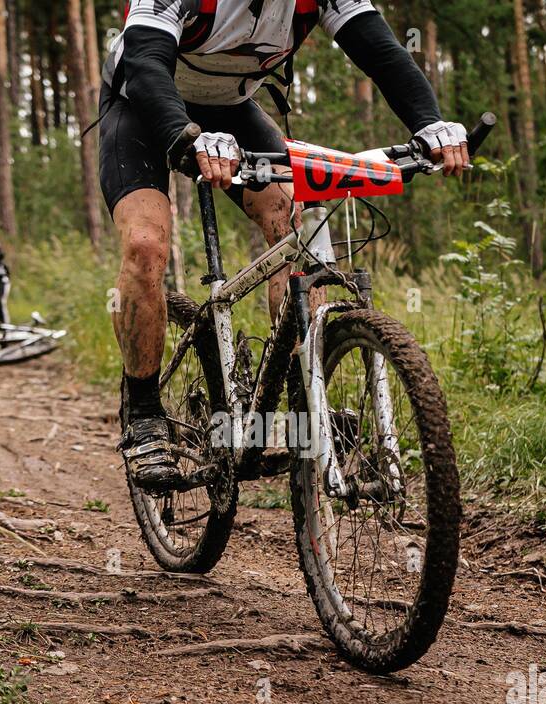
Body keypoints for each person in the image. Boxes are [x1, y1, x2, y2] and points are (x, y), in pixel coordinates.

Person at [97, 0, 471, 489]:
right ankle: (144, 411)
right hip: (141, 105)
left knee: (296, 222)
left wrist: (429, 123)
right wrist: (187, 138)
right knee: (146, 245)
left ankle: (300, 390)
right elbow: (146, 62)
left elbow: (381, 52)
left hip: (229, 109)